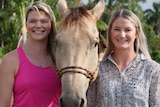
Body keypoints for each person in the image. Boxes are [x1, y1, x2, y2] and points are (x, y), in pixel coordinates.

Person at [87, 9, 160, 107]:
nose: (122, 35)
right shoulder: (98, 70)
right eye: (117, 29)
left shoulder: (152, 70)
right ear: (110, 32)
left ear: (136, 33)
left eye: (128, 30)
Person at [0, 1, 61, 107]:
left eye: (44, 21)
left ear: (51, 24)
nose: (38, 25)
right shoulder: (10, 60)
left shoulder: (60, 59)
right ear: (26, 24)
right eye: (33, 21)